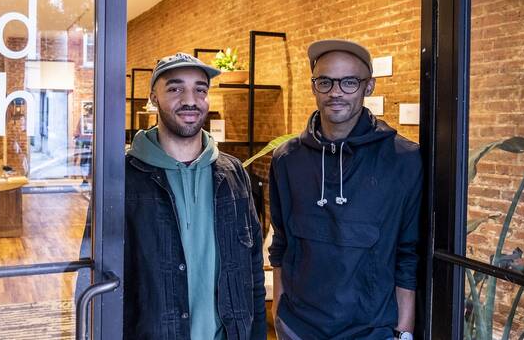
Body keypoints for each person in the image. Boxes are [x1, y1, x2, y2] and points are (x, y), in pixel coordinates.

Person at [268, 40, 422, 340]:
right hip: (299, 327)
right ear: (314, 87)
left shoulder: (403, 159)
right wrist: (279, 315)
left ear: (369, 87)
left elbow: (408, 253)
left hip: (373, 330)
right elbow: (281, 243)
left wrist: (403, 332)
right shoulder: (287, 159)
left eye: (349, 82)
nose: (335, 92)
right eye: (325, 82)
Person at [124, 52, 266, 339]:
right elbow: (101, 276)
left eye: (200, 89)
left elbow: (252, 271)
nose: (190, 100)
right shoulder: (125, 176)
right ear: (153, 98)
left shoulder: (233, 173)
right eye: (175, 88)